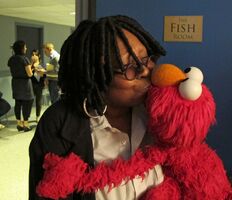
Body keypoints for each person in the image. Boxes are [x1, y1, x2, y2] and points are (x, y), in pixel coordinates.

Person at [29, 15, 166, 200]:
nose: (146, 71)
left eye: (146, 58)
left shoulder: (161, 110)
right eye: (131, 66)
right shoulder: (59, 123)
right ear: (96, 76)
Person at [8, 40, 34, 132]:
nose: (26, 48)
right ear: (22, 48)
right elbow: (30, 74)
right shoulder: (24, 59)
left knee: (18, 103)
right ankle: (26, 124)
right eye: (25, 47)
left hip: (15, 82)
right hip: (25, 84)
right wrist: (32, 66)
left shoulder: (11, 59)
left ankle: (19, 124)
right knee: (28, 102)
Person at [30, 49, 46, 122]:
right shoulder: (30, 64)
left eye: (35, 55)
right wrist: (32, 65)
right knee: (29, 100)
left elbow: (44, 74)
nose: (33, 56)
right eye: (32, 55)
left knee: (38, 101)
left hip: (39, 84)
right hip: (31, 84)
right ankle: (27, 116)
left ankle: (38, 116)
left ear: (39, 56)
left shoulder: (42, 64)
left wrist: (38, 68)